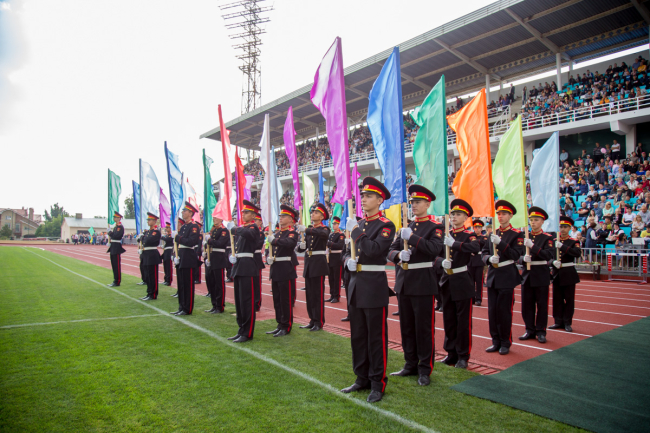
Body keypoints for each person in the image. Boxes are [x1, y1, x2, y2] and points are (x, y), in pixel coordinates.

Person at [341, 177, 396, 403]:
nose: (363, 199)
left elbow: (373, 250)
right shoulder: (359, 224)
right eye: (362, 196)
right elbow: (347, 252)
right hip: (356, 285)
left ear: (380, 200)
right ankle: (361, 378)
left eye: (369, 196)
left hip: (373, 286)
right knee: (358, 336)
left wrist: (355, 231)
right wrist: (347, 261)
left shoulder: (385, 225)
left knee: (376, 338)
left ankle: (377, 382)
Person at [387, 185, 444, 384]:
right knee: (407, 327)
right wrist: (398, 255)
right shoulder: (407, 226)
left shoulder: (435, 227)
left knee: (423, 328)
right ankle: (410, 363)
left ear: (427, 204)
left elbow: (434, 249)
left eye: (418, 202)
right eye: (412, 202)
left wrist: (411, 238)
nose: (414, 205)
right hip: (404, 282)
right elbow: (390, 250)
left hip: (422, 282)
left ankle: (425, 369)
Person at [439, 199, 481, 369]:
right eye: (453, 214)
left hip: (462, 280)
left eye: (458, 214)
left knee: (463, 321)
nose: (454, 217)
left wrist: (454, 244)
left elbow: (475, 248)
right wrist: (441, 262)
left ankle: (463, 355)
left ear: (465, 218)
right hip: (447, 280)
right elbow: (435, 254)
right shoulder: (445, 235)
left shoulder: (469, 235)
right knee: (448, 319)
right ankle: (451, 353)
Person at [481, 200, 524, 355]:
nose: (500, 216)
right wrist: (488, 259)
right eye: (498, 214)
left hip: (506, 276)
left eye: (504, 214)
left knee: (504, 312)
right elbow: (484, 253)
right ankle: (495, 341)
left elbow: (515, 255)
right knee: (492, 312)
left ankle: (505, 342)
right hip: (493, 276)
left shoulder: (517, 234)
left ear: (510, 216)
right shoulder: (493, 233)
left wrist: (501, 244)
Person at [227, 200, 262, 342]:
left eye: (246, 212)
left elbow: (249, 234)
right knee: (240, 301)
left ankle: (247, 333)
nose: (243, 214)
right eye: (242, 212)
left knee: (247, 301)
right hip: (239, 266)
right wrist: (232, 256)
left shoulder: (253, 228)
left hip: (248, 267)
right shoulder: (243, 229)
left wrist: (234, 229)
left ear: (253, 215)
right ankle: (241, 329)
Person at [519, 207, 554, 344]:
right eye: (531, 220)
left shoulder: (547, 238)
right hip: (527, 274)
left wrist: (533, 247)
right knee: (527, 305)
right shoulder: (524, 237)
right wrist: (522, 259)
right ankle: (529, 329)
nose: (533, 222)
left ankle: (541, 331)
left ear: (542, 221)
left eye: (536, 220)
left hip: (541, 274)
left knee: (541, 305)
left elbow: (548, 255)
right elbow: (517, 254)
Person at [266, 205, 300, 337]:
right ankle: (280, 324)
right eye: (280, 216)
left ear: (291, 219)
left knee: (285, 300)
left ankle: (286, 326)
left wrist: (274, 241)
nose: (280, 218)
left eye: (284, 216)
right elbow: (272, 249)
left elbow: (289, 243)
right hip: (275, 268)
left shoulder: (292, 233)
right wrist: (268, 257)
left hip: (285, 270)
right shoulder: (277, 233)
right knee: (277, 299)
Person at [296, 203, 331, 331]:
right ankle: (312, 319)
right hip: (309, 264)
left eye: (316, 213)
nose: (312, 214)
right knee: (309, 295)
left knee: (317, 295)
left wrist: (306, 230)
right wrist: (301, 247)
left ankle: (319, 321)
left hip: (318, 264)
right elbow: (305, 246)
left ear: (322, 217)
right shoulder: (310, 229)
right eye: (312, 212)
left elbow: (323, 235)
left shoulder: (324, 228)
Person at [550, 217, 581, 332]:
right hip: (557, 273)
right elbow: (548, 256)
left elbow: (577, 253)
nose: (562, 229)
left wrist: (562, 247)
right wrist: (552, 262)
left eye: (565, 227)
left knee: (569, 299)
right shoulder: (553, 240)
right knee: (557, 299)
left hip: (568, 273)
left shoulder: (573, 241)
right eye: (561, 227)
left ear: (569, 228)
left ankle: (567, 322)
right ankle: (558, 321)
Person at [172, 202, 201, 316]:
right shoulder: (184, 226)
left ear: (190, 213)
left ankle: (187, 308)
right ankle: (181, 307)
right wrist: (176, 255)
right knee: (181, 284)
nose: (183, 213)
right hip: (181, 256)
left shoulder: (194, 226)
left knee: (187, 284)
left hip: (188, 257)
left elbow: (191, 242)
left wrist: (178, 238)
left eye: (185, 211)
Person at [205, 216, 230, 314]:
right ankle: (214, 304)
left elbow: (220, 243)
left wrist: (209, 240)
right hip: (212, 257)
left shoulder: (224, 231)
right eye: (213, 218)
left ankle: (220, 306)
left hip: (219, 258)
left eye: (216, 218)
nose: (214, 219)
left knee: (219, 283)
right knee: (212, 282)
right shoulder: (214, 230)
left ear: (221, 219)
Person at [139, 212, 162, 301]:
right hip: (146, 254)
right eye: (148, 220)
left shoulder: (156, 232)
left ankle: (153, 294)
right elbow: (143, 240)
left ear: (154, 221)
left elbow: (148, 240)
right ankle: (149, 293)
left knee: (153, 276)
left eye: (149, 220)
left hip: (152, 254)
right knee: (147, 275)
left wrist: (143, 238)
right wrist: (142, 238)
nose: (148, 221)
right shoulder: (148, 232)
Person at [326, 216, 346, 303]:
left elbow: (340, 246)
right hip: (331, 258)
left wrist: (329, 243)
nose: (333, 225)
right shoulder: (331, 235)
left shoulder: (341, 235)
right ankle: (332, 295)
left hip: (337, 258)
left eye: (335, 224)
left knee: (336, 279)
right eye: (333, 224)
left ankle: (336, 296)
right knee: (331, 278)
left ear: (339, 225)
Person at [468, 219, 487, 306]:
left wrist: (474, 242)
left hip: (479, 260)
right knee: (470, 281)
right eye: (475, 227)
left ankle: (478, 298)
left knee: (479, 281)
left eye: (479, 227)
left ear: (481, 228)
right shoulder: (470, 237)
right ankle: (472, 298)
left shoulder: (483, 238)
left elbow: (483, 243)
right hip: (471, 261)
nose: (477, 229)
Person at [106, 211, 126, 287]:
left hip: (116, 247)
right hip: (113, 246)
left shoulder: (120, 227)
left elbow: (116, 236)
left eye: (115, 217)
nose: (114, 218)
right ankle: (115, 280)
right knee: (114, 265)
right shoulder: (116, 226)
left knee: (116, 265)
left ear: (118, 218)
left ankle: (117, 281)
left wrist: (110, 233)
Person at [253, 215, 266, 312]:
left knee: (257, 283)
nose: (254, 222)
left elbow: (256, 245)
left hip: (256, 259)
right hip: (248, 259)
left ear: (260, 222)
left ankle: (256, 303)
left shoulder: (260, 233)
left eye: (256, 220)